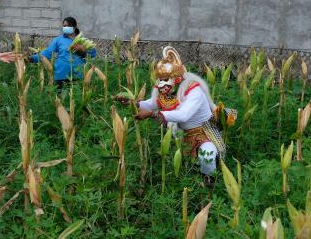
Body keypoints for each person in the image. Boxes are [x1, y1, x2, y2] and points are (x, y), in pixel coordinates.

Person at [121, 46, 233, 187]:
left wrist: (152, 114)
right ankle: (188, 177)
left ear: (177, 79)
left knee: (207, 155)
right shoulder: (169, 92)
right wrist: (133, 103)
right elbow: (152, 104)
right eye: (160, 80)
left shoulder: (194, 91)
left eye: (165, 79)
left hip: (205, 133)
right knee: (183, 158)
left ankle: (208, 186)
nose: (161, 84)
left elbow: (184, 115)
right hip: (183, 134)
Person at [30, 17, 97, 89]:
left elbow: (93, 54)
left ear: (74, 26)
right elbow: (47, 53)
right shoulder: (58, 40)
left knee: (75, 97)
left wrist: (82, 49)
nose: (66, 27)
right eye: (64, 26)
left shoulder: (82, 40)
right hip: (61, 74)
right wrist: (31, 58)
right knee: (60, 97)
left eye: (68, 26)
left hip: (78, 75)